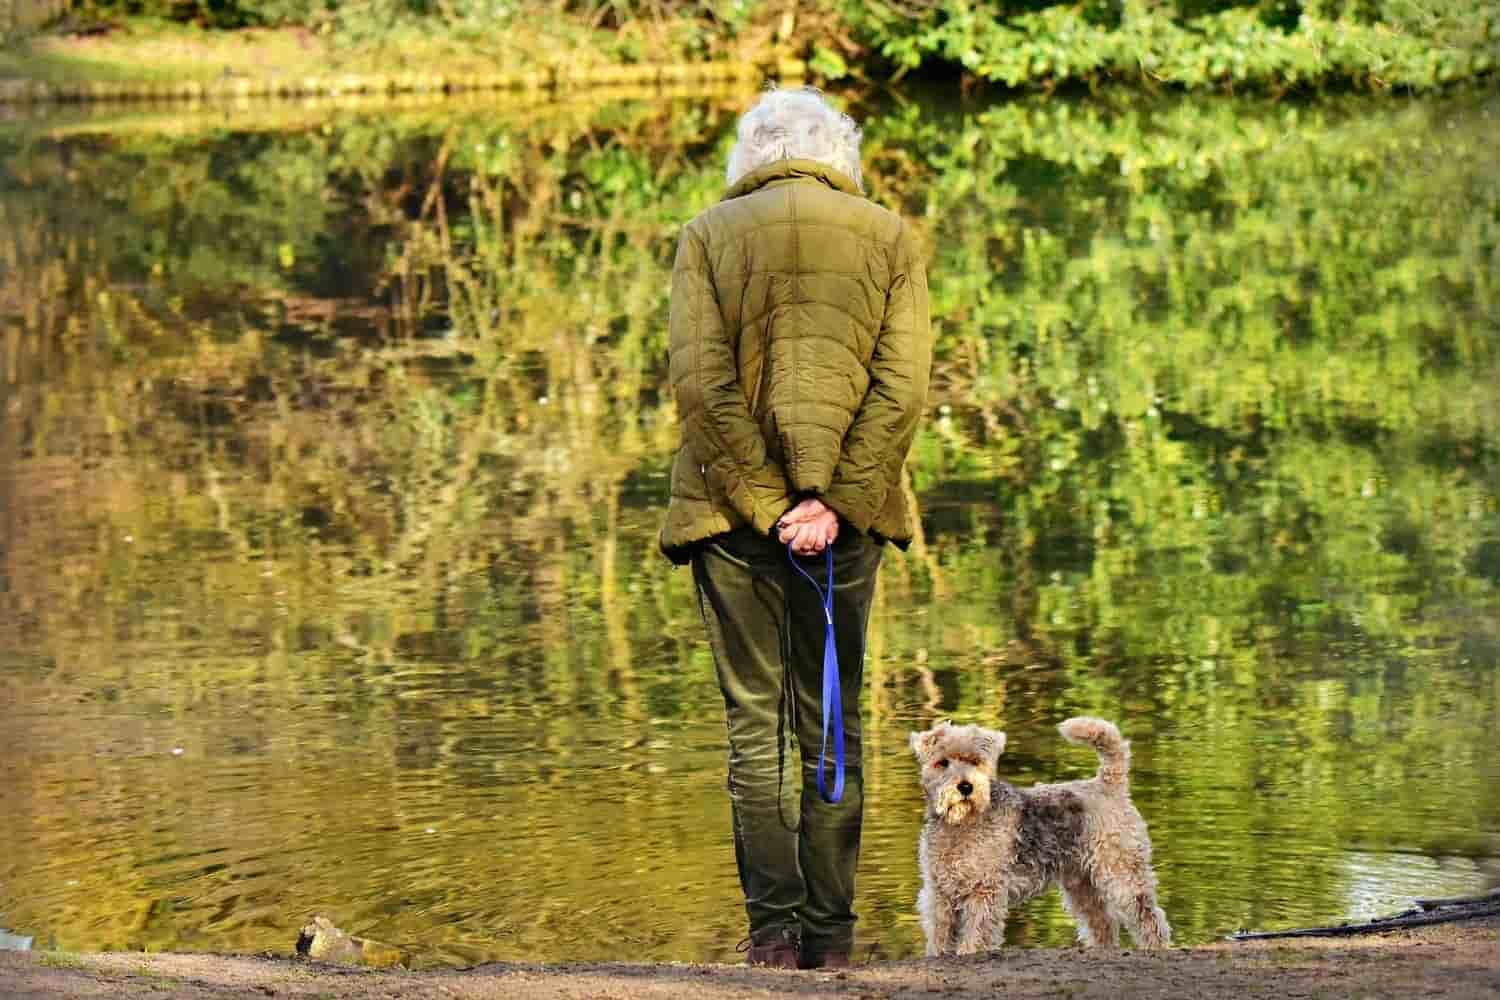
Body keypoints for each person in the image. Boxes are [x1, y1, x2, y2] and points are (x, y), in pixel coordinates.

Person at [659, 86, 933, 969]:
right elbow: (903, 390)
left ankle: (774, 940)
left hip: (728, 519)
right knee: (833, 722)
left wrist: (770, 504)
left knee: (754, 727)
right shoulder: (890, 235)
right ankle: (836, 939)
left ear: (752, 153)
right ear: (835, 151)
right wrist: (833, 505)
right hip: (842, 526)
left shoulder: (706, 233)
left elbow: (700, 386)